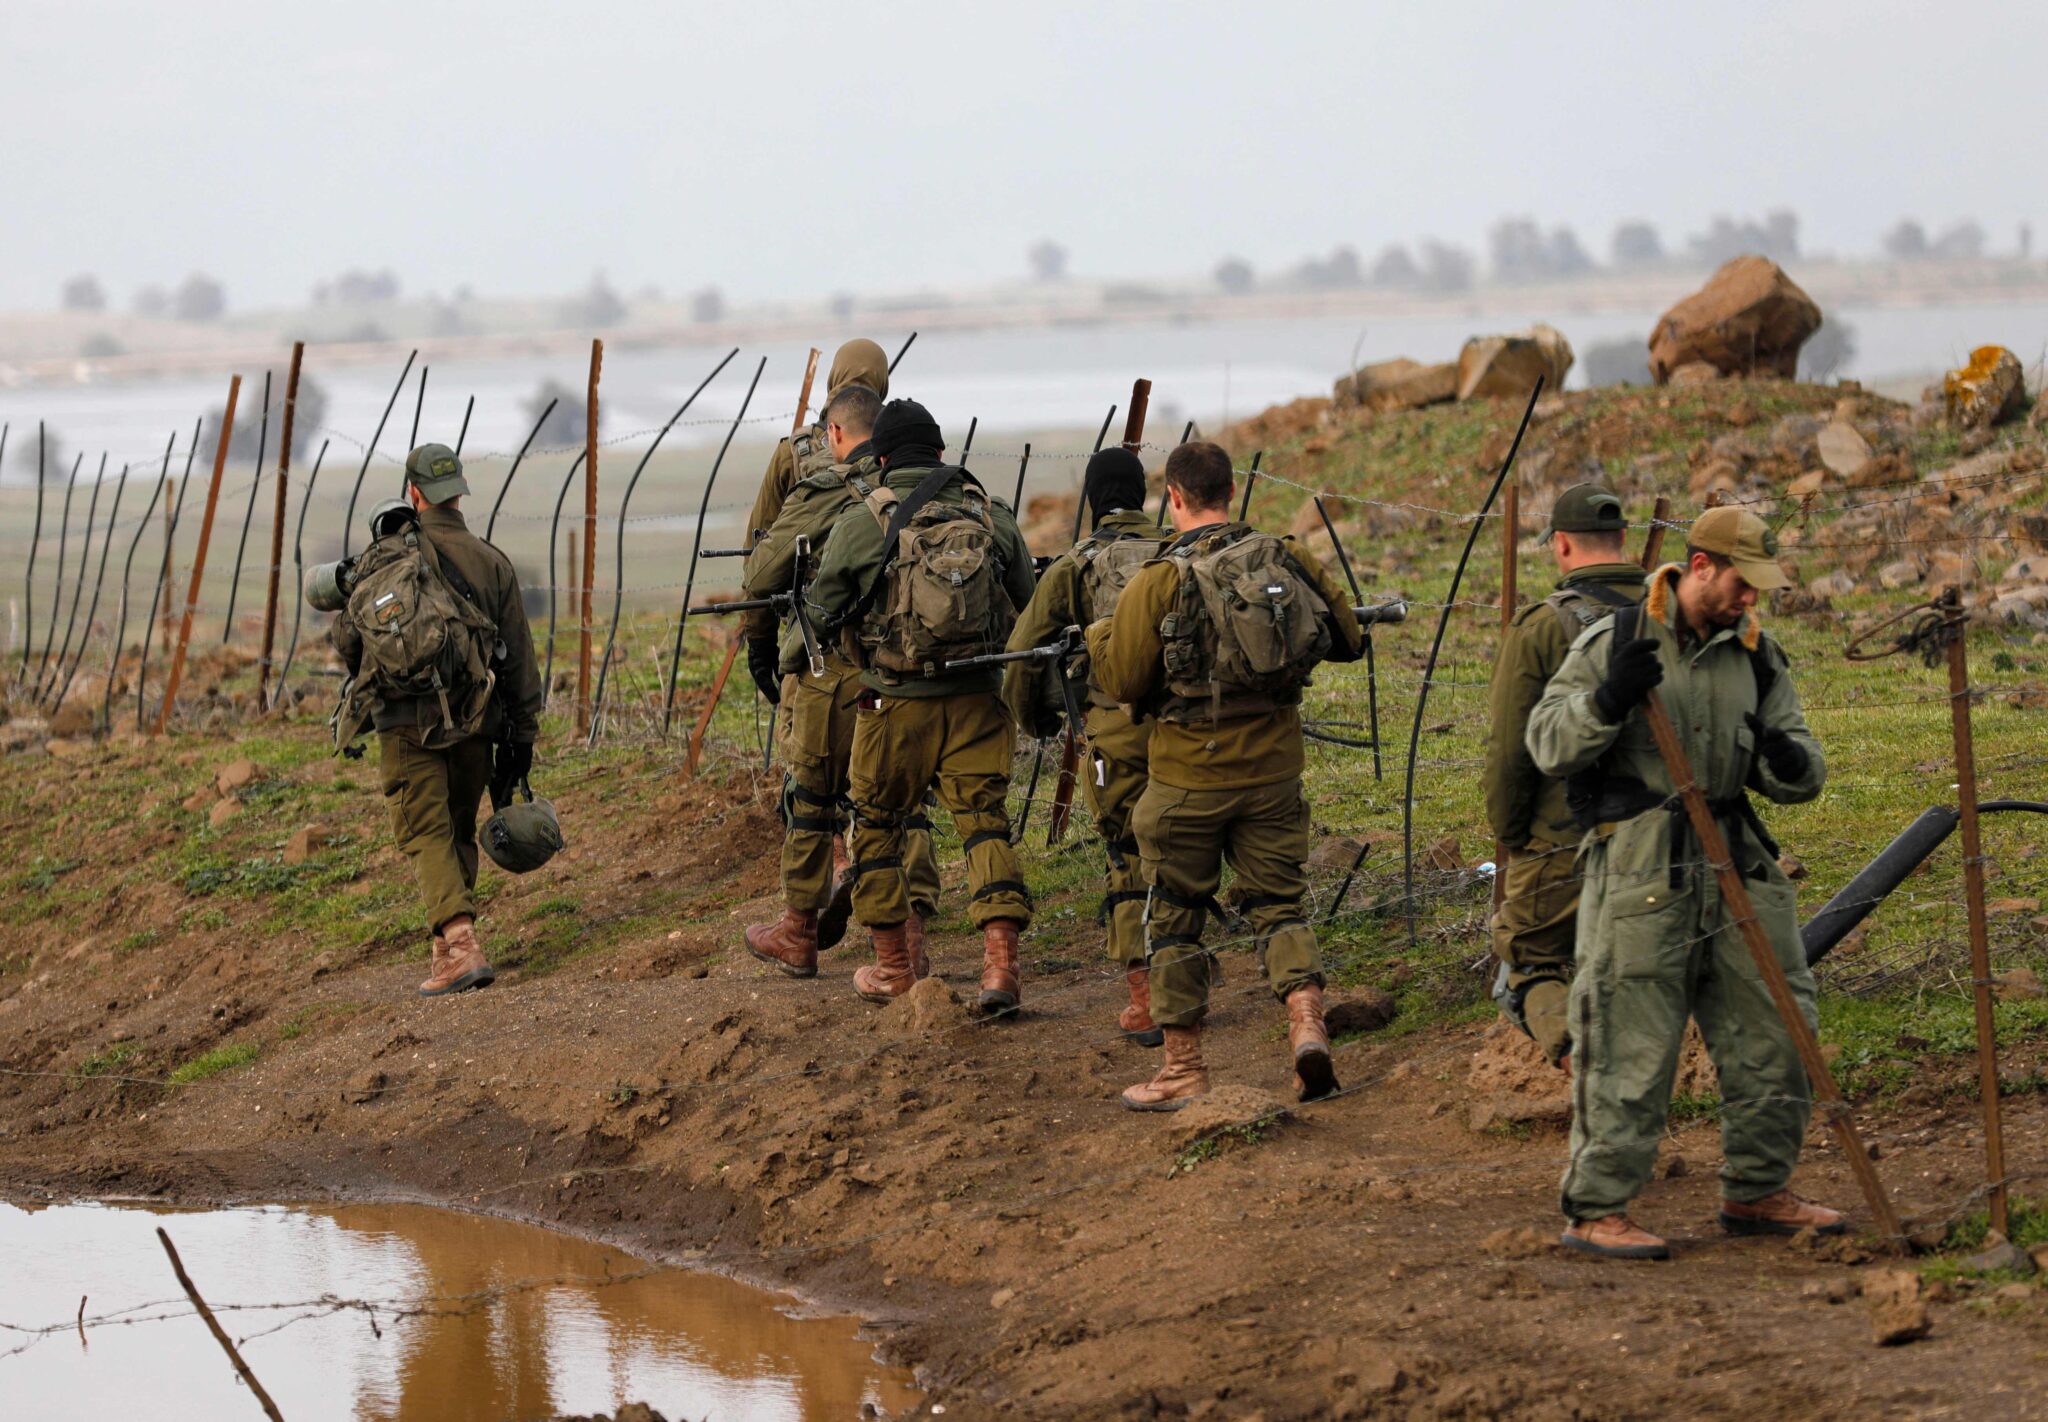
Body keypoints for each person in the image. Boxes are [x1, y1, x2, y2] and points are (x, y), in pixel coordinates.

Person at [1526, 506, 1841, 1260]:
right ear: (1700, 567)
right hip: (1643, 869)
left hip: (1738, 864)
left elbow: (1804, 763)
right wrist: (1605, 701)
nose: (1750, 600)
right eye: (1742, 583)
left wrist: (1786, 762)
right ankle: (1598, 1209)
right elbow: (1546, 740)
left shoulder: (1758, 657)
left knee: (1776, 1028)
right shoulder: (1619, 641)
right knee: (1628, 1039)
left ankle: (1758, 1190)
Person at [1086, 441, 1363, 1110]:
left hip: (1187, 778)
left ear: (1173, 498)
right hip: (1273, 770)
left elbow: (1123, 679)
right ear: (1230, 494)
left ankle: (1183, 1070)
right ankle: (1305, 1027)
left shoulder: (1156, 580)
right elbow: (1351, 638)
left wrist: (1099, 636)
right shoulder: (1284, 557)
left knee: (1176, 916)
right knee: (1280, 903)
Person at [805, 399, 1038, 1012]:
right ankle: (1001, 971)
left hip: (894, 704)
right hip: (979, 701)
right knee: (985, 823)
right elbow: (1029, 608)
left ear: (879, 458)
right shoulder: (992, 515)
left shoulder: (863, 520)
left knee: (877, 828)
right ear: (939, 452)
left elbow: (824, 613)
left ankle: (894, 972)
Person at [739, 383, 942, 978]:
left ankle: (799, 931)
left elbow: (761, 572)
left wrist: (778, 651)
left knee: (812, 799)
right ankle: (912, 938)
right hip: (909, 673)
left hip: (834, 671)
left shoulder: (828, 492)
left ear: (833, 434)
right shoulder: (933, 491)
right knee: (902, 805)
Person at [330, 444, 544, 997]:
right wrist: (521, 736)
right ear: (459, 493)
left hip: (406, 724)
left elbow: (348, 639)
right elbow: (519, 658)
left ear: (414, 493)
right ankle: (446, 949)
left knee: (424, 834)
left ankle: (462, 943)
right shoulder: (492, 561)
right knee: (454, 830)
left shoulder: (386, 557)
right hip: (476, 722)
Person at [1003, 446, 1169, 1046]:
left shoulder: (1077, 564)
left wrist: (1036, 721)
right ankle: (1191, 974)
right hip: (1191, 733)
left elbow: (1024, 652)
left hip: (1117, 735)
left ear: (1095, 502)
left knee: (1127, 855)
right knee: (1184, 851)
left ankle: (1146, 1000)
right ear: (1148, 497)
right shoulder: (1181, 553)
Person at [1482, 483, 1648, 1065]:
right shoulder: (1673, 614)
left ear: (1560, 546)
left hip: (1564, 838)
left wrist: (1512, 834)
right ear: (1623, 538)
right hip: (1672, 832)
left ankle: (1585, 1060)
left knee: (1526, 965)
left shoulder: (1542, 627)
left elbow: (1510, 748)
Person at [738, 338, 892, 694]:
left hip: (814, 643)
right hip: (891, 643)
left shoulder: (794, 452)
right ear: (882, 383)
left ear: (832, 378)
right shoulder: (900, 445)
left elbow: (760, 552)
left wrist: (760, 642)